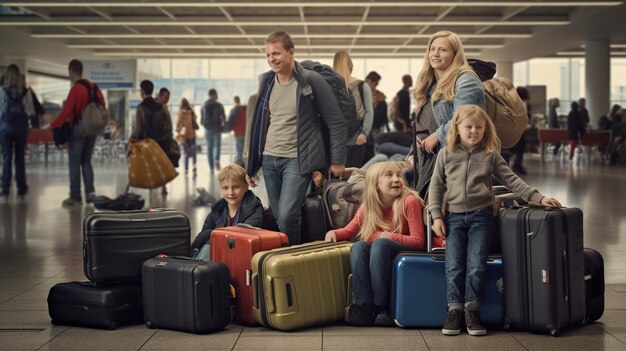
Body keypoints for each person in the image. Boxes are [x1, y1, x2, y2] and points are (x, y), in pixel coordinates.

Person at [428, 105, 561, 336]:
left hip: (481, 216)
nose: (473, 131)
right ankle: (454, 310)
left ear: (485, 130)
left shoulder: (490, 155)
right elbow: (436, 187)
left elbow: (513, 180)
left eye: (478, 127)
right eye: (468, 127)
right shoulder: (445, 154)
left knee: (477, 265)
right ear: (457, 129)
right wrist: (436, 216)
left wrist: (538, 198)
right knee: (454, 266)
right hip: (454, 218)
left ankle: (472, 311)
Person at [247, 31, 346, 245]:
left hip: (297, 159)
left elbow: (335, 120)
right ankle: (291, 256)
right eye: (268, 55)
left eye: (276, 53)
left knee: (288, 214)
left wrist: (337, 160)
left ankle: (291, 256)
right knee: (278, 215)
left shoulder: (311, 81)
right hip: (269, 158)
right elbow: (257, 124)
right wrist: (250, 165)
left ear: (291, 53)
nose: (271, 59)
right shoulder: (266, 82)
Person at [325, 161, 444, 327]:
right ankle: (363, 306)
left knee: (380, 244)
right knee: (358, 247)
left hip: (402, 251)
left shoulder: (409, 202)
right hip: (380, 250)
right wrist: (333, 233)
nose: (396, 179)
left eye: (398, 175)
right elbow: (348, 231)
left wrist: (386, 235)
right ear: (376, 185)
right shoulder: (369, 206)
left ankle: (382, 308)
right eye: (389, 175)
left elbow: (418, 241)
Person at [413, 30, 485, 197]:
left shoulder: (465, 80)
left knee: (438, 211)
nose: (435, 54)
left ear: (455, 54)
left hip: (455, 157)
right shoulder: (430, 81)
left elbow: (464, 118)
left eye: (443, 50)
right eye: (432, 49)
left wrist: (437, 135)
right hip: (428, 156)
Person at [50, 59, 105, 206]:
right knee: (86, 161)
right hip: (92, 130)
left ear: (71, 71)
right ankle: (90, 193)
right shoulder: (95, 88)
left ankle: (75, 196)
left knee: (74, 162)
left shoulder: (76, 89)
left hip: (78, 129)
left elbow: (67, 111)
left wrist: (54, 125)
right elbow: (103, 107)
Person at [191, 164, 264, 260]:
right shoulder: (217, 210)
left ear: (246, 186)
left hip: (242, 257)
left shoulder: (254, 209)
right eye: (225, 188)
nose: (230, 193)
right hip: (221, 257)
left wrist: (213, 233)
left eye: (236, 187)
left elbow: (243, 238)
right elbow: (200, 238)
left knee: (209, 246)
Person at [130, 79, 175, 195]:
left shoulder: (141, 108)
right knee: (161, 164)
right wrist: (168, 137)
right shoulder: (162, 106)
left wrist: (133, 139)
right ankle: (164, 187)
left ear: (142, 91)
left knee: (150, 165)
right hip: (162, 141)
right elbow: (169, 125)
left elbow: (138, 129)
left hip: (149, 143)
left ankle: (151, 188)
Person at [333, 50, 374, 168]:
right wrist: (364, 132)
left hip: (340, 141)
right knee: (354, 176)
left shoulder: (331, 87)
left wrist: (364, 133)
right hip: (355, 139)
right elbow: (369, 111)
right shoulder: (362, 86)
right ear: (350, 64)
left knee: (338, 178)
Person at [0, 65, 32, 198]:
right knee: (20, 158)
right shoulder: (25, 91)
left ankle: (5, 188)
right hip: (20, 129)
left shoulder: (2, 90)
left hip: (5, 128)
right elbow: (30, 111)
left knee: (6, 157)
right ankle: (21, 187)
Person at [201, 89, 225, 172]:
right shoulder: (219, 105)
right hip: (217, 128)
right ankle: (217, 160)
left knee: (209, 148)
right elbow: (223, 118)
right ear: (214, 94)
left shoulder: (203, 105)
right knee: (217, 146)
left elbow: (201, 120)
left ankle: (211, 168)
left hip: (208, 129)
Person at [175, 97, 199, 178]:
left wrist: (179, 129)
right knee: (193, 152)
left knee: (186, 154)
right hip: (192, 135)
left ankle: (186, 170)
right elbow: (195, 120)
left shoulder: (181, 114)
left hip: (184, 137)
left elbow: (178, 126)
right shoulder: (191, 112)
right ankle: (194, 168)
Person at [510, 86, 531, 174]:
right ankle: (517, 165)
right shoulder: (522, 103)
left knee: (519, 146)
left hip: (514, 128)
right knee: (521, 145)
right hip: (518, 129)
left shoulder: (513, 101)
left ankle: (516, 164)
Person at [227, 96, 247, 166]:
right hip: (245, 133)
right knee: (245, 150)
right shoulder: (245, 109)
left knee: (238, 150)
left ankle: (237, 165)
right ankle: (243, 164)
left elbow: (230, 121)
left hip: (238, 133)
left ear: (234, 101)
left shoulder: (234, 110)